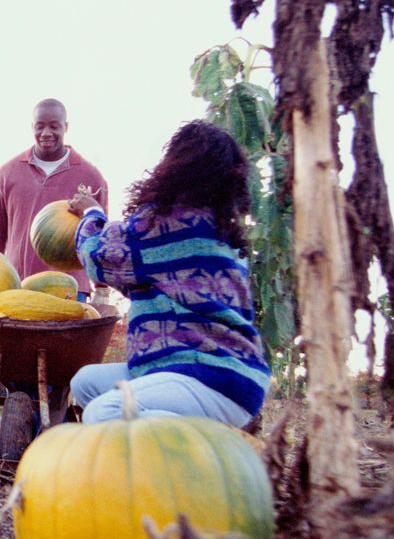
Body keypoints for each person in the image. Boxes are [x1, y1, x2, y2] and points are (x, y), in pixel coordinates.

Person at [67, 120, 270, 427]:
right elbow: (164, 284)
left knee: (104, 412)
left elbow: (95, 256)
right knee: (86, 382)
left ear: (176, 166)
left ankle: (202, 459)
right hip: (216, 372)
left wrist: (92, 212)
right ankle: (188, 439)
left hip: (208, 374)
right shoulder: (220, 231)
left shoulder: (167, 223)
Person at [0, 98, 108, 302]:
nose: (46, 133)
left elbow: (100, 233)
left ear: (66, 126)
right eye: (40, 126)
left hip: (71, 289)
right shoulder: (7, 173)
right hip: (18, 284)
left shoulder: (91, 176)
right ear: (32, 126)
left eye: (54, 126)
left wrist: (102, 289)